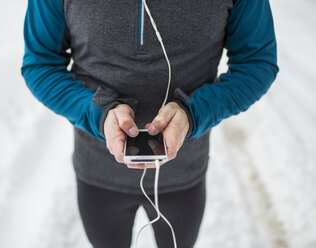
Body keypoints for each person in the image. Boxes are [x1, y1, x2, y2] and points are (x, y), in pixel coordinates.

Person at [21, 0, 278, 247]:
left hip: (184, 174)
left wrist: (193, 113)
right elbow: (40, 63)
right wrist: (97, 114)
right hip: (98, 172)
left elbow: (256, 63)